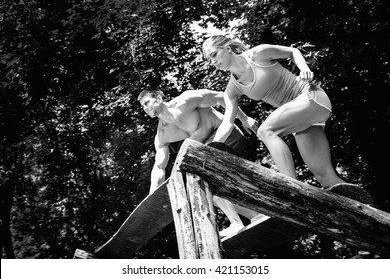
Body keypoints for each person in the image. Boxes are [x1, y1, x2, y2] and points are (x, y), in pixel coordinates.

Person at [202, 35, 349, 190]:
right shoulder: (232, 89)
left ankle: (292, 188)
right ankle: (365, 207)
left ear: (227, 48)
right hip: (301, 120)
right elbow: (228, 122)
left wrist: (305, 69)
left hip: (311, 97)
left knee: (265, 131)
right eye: (210, 60)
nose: (213, 62)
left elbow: (293, 52)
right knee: (324, 176)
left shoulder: (258, 54)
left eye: (214, 55)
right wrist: (212, 146)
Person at [138, 88, 263, 238]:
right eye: (142, 106)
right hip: (206, 150)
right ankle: (255, 215)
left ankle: (236, 222)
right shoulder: (162, 134)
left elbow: (221, 97)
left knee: (204, 175)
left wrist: (243, 118)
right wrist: (152, 195)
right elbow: (159, 166)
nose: (145, 108)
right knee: (198, 186)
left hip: (228, 135)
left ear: (158, 98)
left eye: (147, 103)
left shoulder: (186, 101)